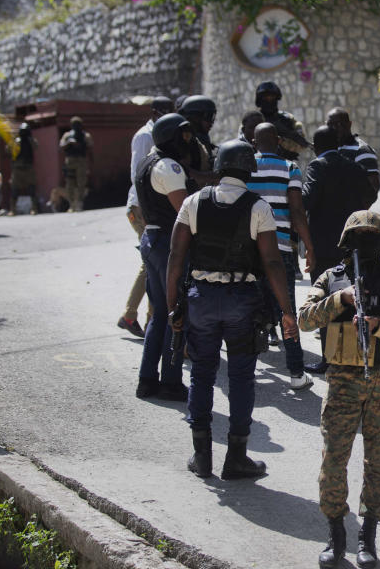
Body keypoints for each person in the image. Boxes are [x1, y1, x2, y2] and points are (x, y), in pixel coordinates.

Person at [165, 140, 299, 480]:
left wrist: (172, 308)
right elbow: (271, 262)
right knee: (241, 378)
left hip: (201, 299)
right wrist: (286, 311)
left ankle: (203, 458)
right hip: (242, 300)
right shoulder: (259, 207)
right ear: (248, 172)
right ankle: (236, 458)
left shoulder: (193, 203)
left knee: (201, 375)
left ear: (220, 167)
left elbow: (176, 258)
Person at [298, 211, 380, 569]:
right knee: (334, 458)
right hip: (342, 381)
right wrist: (342, 300)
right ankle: (336, 535)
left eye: (370, 237)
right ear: (346, 242)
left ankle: (368, 536)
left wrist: (378, 324)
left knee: (378, 463)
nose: (363, 244)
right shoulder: (330, 279)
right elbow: (304, 320)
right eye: (357, 237)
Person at [246, 122, 316, 391]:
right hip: (281, 252)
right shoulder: (290, 168)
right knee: (287, 312)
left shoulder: (246, 167)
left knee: (249, 311)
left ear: (254, 142)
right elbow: (297, 212)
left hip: (249, 253)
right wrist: (309, 246)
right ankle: (297, 374)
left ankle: (247, 372)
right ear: (278, 141)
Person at [302, 126, 376, 374]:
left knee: (325, 299)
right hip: (351, 244)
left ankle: (328, 358)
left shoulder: (316, 166)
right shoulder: (354, 167)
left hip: (323, 245)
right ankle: (355, 352)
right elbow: (369, 197)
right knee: (354, 296)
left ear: (315, 147)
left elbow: (307, 200)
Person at [134, 113, 191, 401]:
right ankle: (170, 381)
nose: (187, 141)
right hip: (169, 243)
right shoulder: (169, 166)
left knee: (159, 313)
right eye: (183, 135)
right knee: (174, 312)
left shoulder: (147, 161)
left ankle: (147, 380)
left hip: (152, 239)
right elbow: (185, 211)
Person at [118, 96, 173, 338]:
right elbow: (137, 174)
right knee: (153, 261)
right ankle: (142, 317)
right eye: (162, 111)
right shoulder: (144, 136)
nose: (167, 115)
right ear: (152, 113)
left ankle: (134, 316)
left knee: (155, 262)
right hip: (142, 207)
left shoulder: (167, 132)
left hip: (150, 206)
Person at [326, 108, 380, 193]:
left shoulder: (362, 150)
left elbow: (373, 189)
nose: (334, 128)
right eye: (329, 125)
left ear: (349, 124)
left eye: (339, 124)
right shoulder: (331, 149)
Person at [255, 81, 308, 160]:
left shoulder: (288, 118)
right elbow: (245, 144)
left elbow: (300, 145)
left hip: (285, 165)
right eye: (265, 98)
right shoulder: (252, 120)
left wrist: (282, 141)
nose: (269, 100)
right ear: (259, 100)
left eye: (272, 97)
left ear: (277, 98)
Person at [178, 95, 220, 188]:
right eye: (209, 117)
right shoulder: (181, 141)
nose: (211, 123)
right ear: (195, 118)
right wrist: (217, 176)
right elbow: (186, 172)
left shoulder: (201, 139)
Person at [58, 116, 93, 212]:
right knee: (70, 183)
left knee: (81, 183)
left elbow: (90, 146)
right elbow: (61, 146)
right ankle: (72, 204)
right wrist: (69, 143)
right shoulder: (67, 135)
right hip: (70, 161)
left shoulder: (85, 135)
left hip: (81, 160)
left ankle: (79, 203)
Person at [8, 122, 38, 215]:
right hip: (18, 168)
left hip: (28, 168)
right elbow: (8, 149)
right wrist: (15, 142)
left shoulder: (31, 141)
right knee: (14, 189)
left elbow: (36, 146)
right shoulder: (16, 141)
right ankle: (12, 210)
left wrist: (30, 139)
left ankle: (34, 209)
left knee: (31, 189)